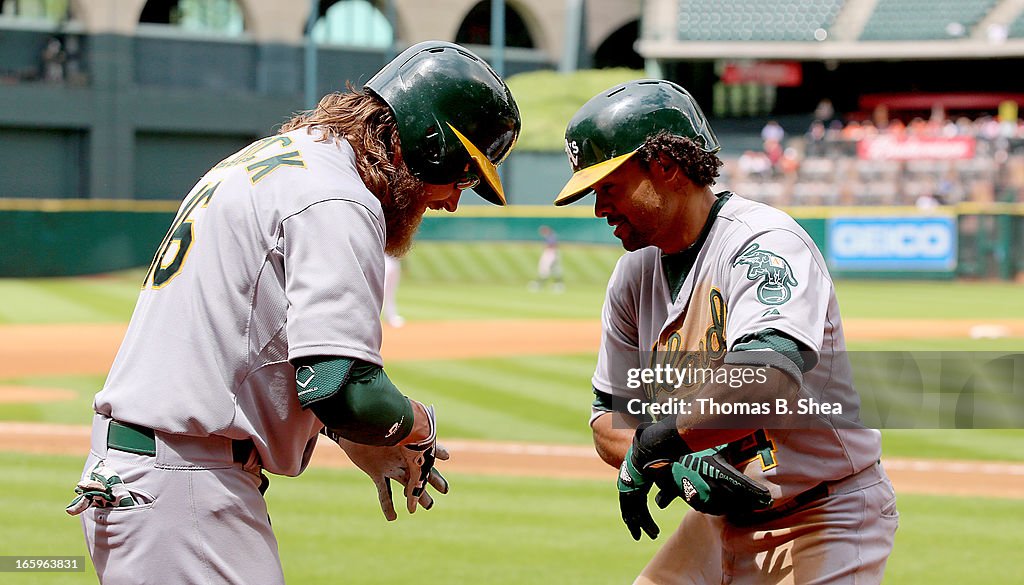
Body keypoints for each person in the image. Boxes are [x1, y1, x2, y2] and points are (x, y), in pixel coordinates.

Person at [65, 41, 520, 585]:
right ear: (427, 143)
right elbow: (344, 390)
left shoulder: (280, 159)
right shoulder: (338, 198)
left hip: (155, 475)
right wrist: (415, 429)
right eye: (463, 176)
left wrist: (355, 436)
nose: (452, 200)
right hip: (183, 488)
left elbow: (265, 349)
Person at [554, 80, 897, 584]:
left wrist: (658, 443)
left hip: (823, 515)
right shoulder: (633, 277)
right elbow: (609, 421)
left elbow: (768, 379)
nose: (599, 208)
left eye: (609, 187)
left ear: (665, 166)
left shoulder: (764, 245)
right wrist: (668, 466)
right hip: (718, 521)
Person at [528, 225, 564, 292]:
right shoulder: (550, 236)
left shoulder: (551, 236)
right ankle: (558, 285)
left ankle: (540, 284)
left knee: (547, 270)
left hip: (551, 254)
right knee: (554, 270)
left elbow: (552, 246)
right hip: (552, 254)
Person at [382, 253, 405, 327]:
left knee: (391, 291)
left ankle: (391, 316)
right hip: (384, 257)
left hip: (395, 259)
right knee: (382, 289)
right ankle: (373, 317)